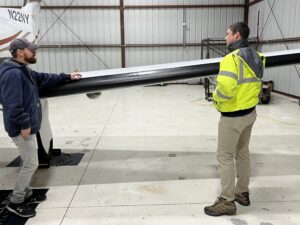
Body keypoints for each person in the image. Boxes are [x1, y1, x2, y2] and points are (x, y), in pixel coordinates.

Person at [0, 38, 81, 218]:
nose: (34, 52)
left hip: (25, 126)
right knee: (31, 163)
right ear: (20, 52)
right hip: (22, 128)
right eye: (31, 50)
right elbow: (13, 105)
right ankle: (16, 200)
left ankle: (25, 191)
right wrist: (25, 124)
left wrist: (66, 76)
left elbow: (43, 78)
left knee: (26, 160)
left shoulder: (22, 70)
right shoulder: (13, 75)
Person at [204, 22, 265, 216]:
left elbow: (226, 90)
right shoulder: (257, 56)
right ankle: (242, 192)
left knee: (225, 157)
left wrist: (215, 100)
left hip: (232, 117)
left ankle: (227, 200)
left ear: (237, 35)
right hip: (250, 113)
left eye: (227, 33)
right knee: (243, 152)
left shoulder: (231, 59)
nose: (225, 37)